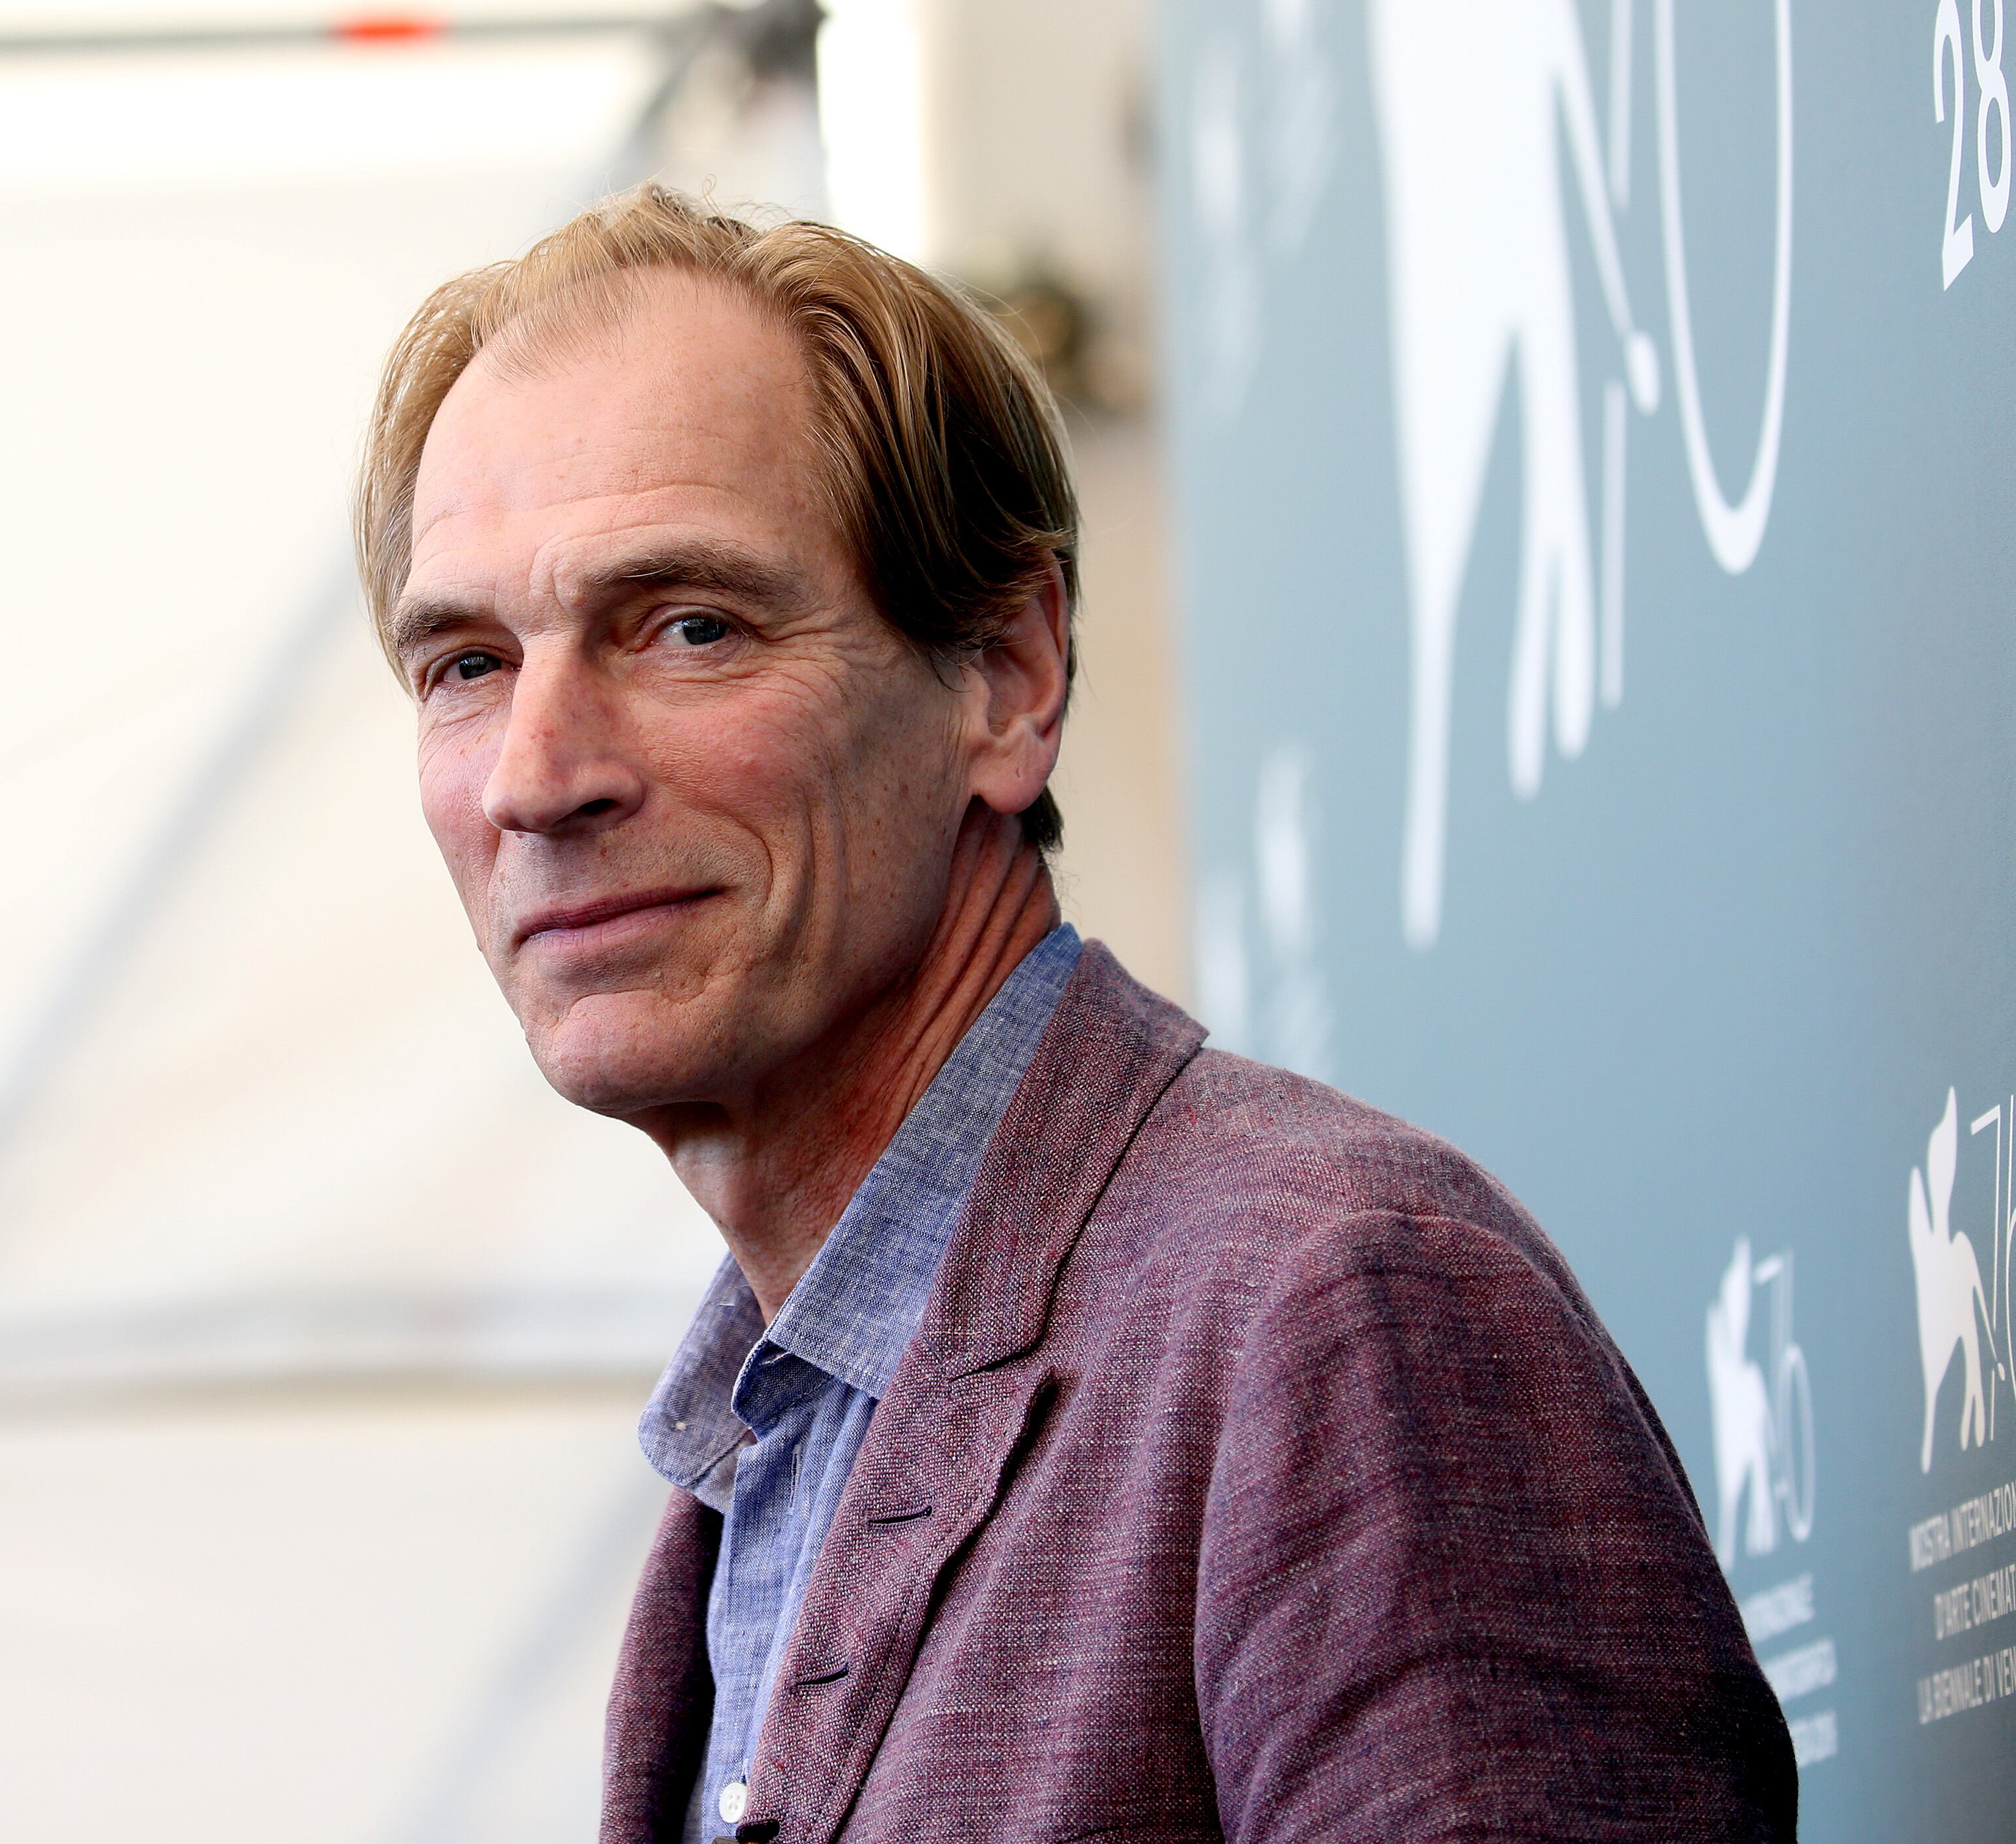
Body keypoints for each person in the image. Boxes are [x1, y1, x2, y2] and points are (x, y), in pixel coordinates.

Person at [357, 186, 1793, 1843]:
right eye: (465, 663)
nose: (540, 775)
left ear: (1009, 677)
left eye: (689, 626)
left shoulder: (1339, 1306)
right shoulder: (766, 1443)